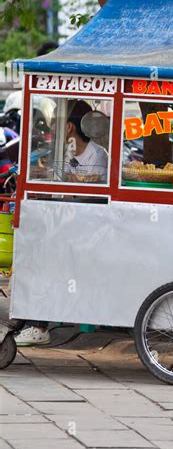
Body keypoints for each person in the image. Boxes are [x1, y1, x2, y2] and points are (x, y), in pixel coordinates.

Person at [15, 100, 109, 346]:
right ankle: (29, 318)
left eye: (56, 121)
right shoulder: (60, 151)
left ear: (68, 128)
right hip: (66, 222)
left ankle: (38, 325)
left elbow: (92, 195)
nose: (51, 126)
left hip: (88, 229)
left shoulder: (97, 155)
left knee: (46, 259)